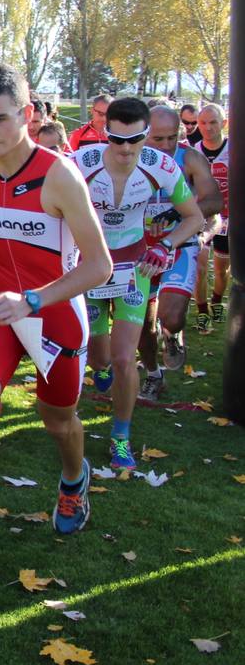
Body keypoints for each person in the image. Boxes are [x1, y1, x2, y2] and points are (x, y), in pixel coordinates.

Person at [0, 63, 112, 590]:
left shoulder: (59, 174)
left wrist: (33, 297)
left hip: (55, 313)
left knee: (58, 420)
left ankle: (72, 480)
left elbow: (99, 267)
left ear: (28, 115)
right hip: (0, 310)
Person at [77, 97, 202, 467]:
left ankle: (121, 435)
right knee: (99, 358)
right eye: (118, 140)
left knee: (122, 358)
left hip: (134, 267)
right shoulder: (79, 163)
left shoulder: (160, 166)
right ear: (105, 133)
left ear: (147, 136)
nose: (127, 149)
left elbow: (193, 217)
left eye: (136, 140)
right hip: (92, 267)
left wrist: (166, 245)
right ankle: (97, 369)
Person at [138, 105, 221, 397]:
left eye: (172, 138)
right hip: (139, 249)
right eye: (157, 139)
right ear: (143, 132)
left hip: (179, 244)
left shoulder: (190, 158)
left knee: (171, 317)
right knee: (140, 325)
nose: (165, 146)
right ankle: (152, 373)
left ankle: (172, 335)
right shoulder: (128, 157)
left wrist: (178, 213)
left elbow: (214, 201)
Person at [192, 103, 230, 333]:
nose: (207, 127)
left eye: (213, 122)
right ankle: (203, 311)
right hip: (202, 218)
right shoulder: (192, 151)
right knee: (199, 266)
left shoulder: (235, 148)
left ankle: (217, 301)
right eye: (202, 122)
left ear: (223, 123)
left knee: (221, 269)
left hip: (227, 218)